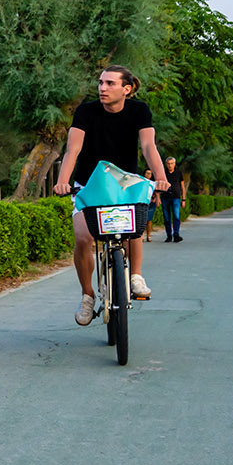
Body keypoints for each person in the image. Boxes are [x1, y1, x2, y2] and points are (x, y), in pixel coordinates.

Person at [52, 66, 170, 325]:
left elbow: (148, 146)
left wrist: (161, 178)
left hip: (125, 183)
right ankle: (87, 295)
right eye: (101, 83)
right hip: (89, 184)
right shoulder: (86, 111)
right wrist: (62, 182)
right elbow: (73, 150)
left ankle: (135, 276)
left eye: (110, 83)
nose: (102, 88)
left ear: (126, 89)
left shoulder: (139, 111)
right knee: (83, 238)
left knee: (133, 227)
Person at [162, 155, 186, 242]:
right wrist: (157, 197)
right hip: (165, 197)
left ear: (174, 164)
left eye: (172, 163)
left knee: (176, 216)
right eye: (168, 163)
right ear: (166, 164)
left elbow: (182, 186)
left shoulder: (178, 173)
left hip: (176, 197)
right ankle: (169, 235)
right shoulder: (163, 173)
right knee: (166, 218)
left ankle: (176, 234)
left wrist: (183, 199)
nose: (170, 165)